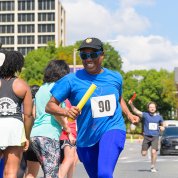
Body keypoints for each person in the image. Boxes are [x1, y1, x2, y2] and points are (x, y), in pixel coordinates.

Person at [45, 37, 139, 178]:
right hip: (86, 137)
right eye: (84, 55)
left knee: (104, 174)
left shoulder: (115, 77)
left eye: (93, 54)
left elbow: (118, 98)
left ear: (102, 55)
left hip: (113, 128)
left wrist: (128, 114)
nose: (88, 59)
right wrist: (66, 111)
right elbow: (49, 106)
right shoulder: (71, 80)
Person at [30, 59, 71, 178]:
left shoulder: (41, 89)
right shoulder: (57, 89)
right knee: (52, 174)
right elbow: (55, 112)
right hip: (49, 134)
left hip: (35, 135)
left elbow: (34, 113)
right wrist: (66, 127)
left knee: (49, 172)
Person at [0, 50, 33, 177]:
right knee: (11, 171)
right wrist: (27, 136)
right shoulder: (22, 85)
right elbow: (28, 115)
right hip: (14, 126)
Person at [128, 100, 164, 173]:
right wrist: (131, 105)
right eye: (150, 107)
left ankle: (153, 166)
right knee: (143, 154)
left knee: (154, 152)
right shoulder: (145, 115)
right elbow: (136, 111)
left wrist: (162, 128)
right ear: (148, 108)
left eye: (153, 107)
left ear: (155, 108)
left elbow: (163, 125)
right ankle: (145, 149)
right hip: (147, 137)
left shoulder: (159, 117)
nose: (152, 108)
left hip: (155, 137)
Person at [59, 99, 78, 178]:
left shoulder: (70, 99)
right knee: (69, 159)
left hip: (72, 132)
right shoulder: (66, 100)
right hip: (67, 133)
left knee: (72, 160)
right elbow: (63, 117)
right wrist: (69, 133)